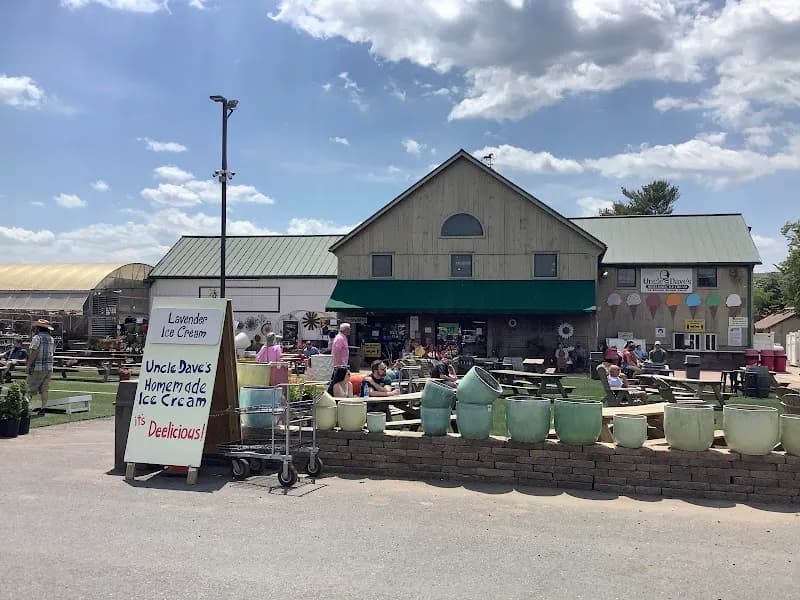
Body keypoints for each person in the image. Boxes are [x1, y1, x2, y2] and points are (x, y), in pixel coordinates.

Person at [27, 319, 55, 416]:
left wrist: (29, 364)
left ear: (38, 328)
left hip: (38, 367)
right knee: (44, 389)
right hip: (49, 367)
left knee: (30, 387)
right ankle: (43, 408)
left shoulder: (37, 338)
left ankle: (24, 407)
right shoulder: (51, 339)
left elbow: (34, 352)